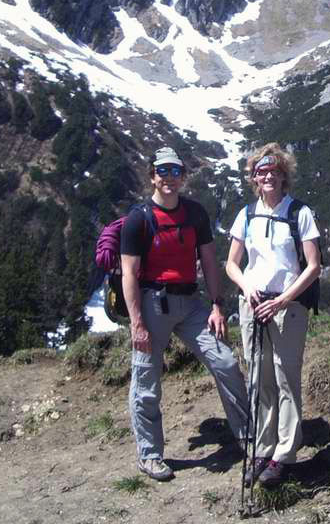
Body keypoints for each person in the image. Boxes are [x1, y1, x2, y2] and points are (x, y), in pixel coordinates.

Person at [121, 146, 249, 481]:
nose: (169, 178)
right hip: (152, 303)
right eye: (162, 171)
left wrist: (217, 304)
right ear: (152, 175)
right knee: (147, 380)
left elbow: (208, 261)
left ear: (183, 177)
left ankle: (247, 435)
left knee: (225, 362)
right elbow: (129, 275)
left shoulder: (194, 213)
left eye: (175, 172)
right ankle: (149, 455)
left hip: (191, 303)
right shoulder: (139, 219)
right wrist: (137, 324)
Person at [225, 143, 321, 488]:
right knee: (260, 380)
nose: (268, 176)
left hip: (288, 307)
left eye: (274, 171)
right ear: (254, 178)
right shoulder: (246, 215)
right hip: (252, 305)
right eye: (261, 172)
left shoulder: (299, 213)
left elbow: (313, 266)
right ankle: (263, 450)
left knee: (285, 378)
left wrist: (282, 299)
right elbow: (231, 264)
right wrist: (246, 287)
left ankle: (283, 454)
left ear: (284, 176)